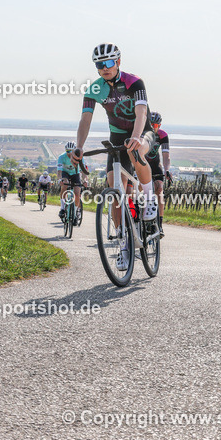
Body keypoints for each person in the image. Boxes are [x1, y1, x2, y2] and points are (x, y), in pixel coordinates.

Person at [71, 43, 158, 271]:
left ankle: (149, 200)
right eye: (100, 65)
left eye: (109, 63)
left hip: (143, 131)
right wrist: (79, 147)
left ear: (118, 62)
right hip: (117, 136)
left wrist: (138, 137)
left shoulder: (134, 82)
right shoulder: (95, 89)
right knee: (115, 190)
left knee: (136, 151)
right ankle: (124, 246)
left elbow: (141, 112)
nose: (104, 68)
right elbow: (85, 120)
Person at [146, 111, 172, 223]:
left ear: (159, 126)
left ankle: (160, 223)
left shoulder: (163, 135)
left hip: (155, 165)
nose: (152, 127)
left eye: (155, 125)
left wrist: (167, 170)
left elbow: (166, 155)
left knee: (159, 189)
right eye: (150, 124)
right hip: (142, 165)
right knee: (137, 189)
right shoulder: (143, 134)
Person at [58, 141, 88, 221]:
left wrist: (85, 180)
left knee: (77, 193)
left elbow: (83, 171)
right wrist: (60, 179)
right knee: (65, 184)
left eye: (71, 151)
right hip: (65, 173)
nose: (69, 153)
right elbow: (59, 172)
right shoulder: (61, 157)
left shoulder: (80, 157)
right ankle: (62, 208)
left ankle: (74, 213)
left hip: (75, 174)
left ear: (75, 151)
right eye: (67, 151)